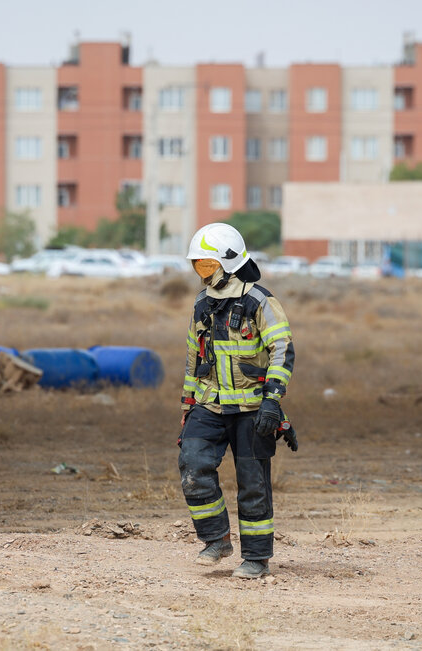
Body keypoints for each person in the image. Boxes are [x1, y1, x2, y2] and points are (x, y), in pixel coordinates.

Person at [177, 223, 296, 579]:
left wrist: (273, 401)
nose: (202, 274)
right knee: (192, 465)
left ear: (228, 262)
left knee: (253, 484)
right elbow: (192, 360)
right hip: (208, 405)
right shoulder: (202, 305)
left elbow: (282, 350)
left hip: (252, 409)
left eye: (207, 266)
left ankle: (257, 558)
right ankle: (216, 538)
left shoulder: (259, 302)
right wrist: (187, 409)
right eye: (198, 266)